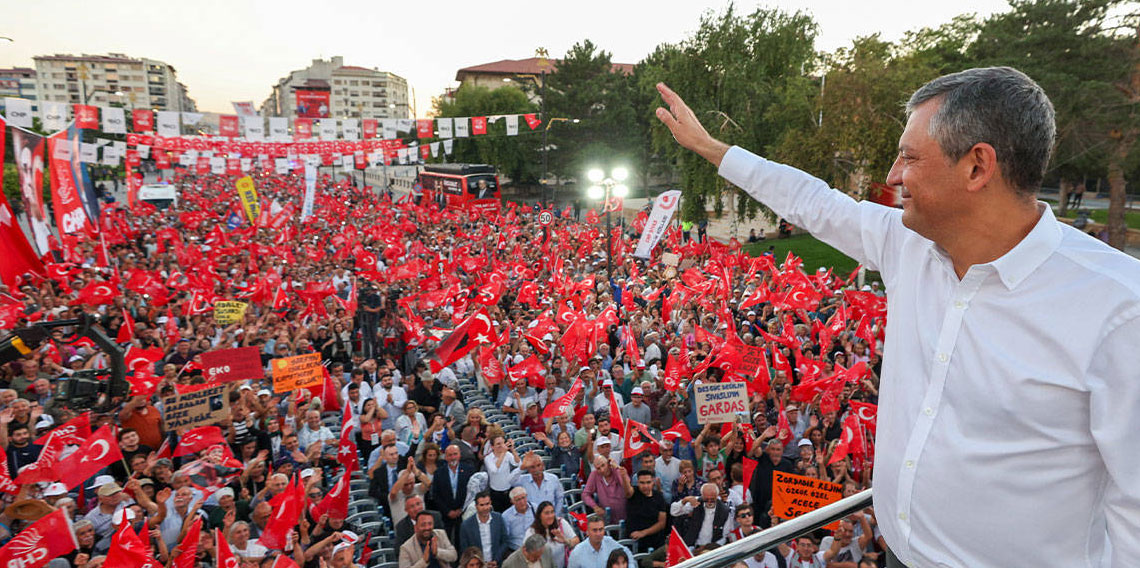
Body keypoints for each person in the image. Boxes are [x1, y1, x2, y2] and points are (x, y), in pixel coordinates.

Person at [655, 67, 1140, 567]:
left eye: (909, 157)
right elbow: (813, 201)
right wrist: (713, 149)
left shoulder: (1119, 310)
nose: (892, 176)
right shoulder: (907, 245)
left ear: (977, 166)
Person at [670, 483, 733, 552]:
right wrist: (685, 500)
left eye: (712, 499)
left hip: (712, 549)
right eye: (706, 499)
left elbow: (725, 536)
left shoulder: (724, 511)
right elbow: (673, 512)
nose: (709, 502)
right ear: (702, 496)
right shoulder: (696, 502)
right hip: (692, 546)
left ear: (717, 496)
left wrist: (708, 548)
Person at [433, 444, 476, 543]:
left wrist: (461, 509)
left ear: (460, 455)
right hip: (446, 514)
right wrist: (448, 511)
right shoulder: (439, 473)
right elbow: (436, 495)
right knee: (445, 542)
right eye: (450, 455)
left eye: (455, 454)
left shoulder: (469, 470)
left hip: (463, 513)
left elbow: (472, 492)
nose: (453, 457)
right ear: (445, 457)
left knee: (461, 541)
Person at [459, 491, 510, 567]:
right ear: (476, 506)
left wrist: (496, 560)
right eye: (482, 505)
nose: (485, 508)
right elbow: (465, 549)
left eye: (487, 504)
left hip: (496, 564)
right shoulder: (466, 525)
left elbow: (505, 541)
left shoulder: (498, 518)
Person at [524, 502, 579, 568]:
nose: (550, 516)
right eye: (546, 513)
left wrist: (566, 541)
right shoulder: (531, 532)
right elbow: (526, 553)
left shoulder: (561, 523)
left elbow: (576, 540)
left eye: (552, 512)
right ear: (539, 515)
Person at [567, 515, 634, 568]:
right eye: (594, 530)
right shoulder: (577, 553)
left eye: (601, 529)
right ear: (587, 532)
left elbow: (627, 552)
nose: (598, 534)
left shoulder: (609, 542)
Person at [582, 453, 632, 523]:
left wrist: (617, 468)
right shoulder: (594, 475)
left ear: (608, 463)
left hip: (625, 515)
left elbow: (626, 485)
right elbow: (585, 494)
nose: (602, 470)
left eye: (603, 465)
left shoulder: (617, 471)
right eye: (598, 468)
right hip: (607, 518)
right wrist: (595, 507)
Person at [625, 471, 667, 551]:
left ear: (653, 482)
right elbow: (627, 491)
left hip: (655, 541)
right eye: (642, 483)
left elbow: (662, 523)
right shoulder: (633, 493)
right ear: (637, 483)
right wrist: (623, 475)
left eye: (648, 482)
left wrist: (643, 533)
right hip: (635, 541)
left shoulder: (659, 497)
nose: (645, 486)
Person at [501, 487, 535, 555]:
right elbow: (505, 538)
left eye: (523, 498)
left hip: (535, 549)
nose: (522, 502)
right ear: (512, 501)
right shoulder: (506, 516)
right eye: (518, 499)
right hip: (516, 552)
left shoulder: (535, 508)